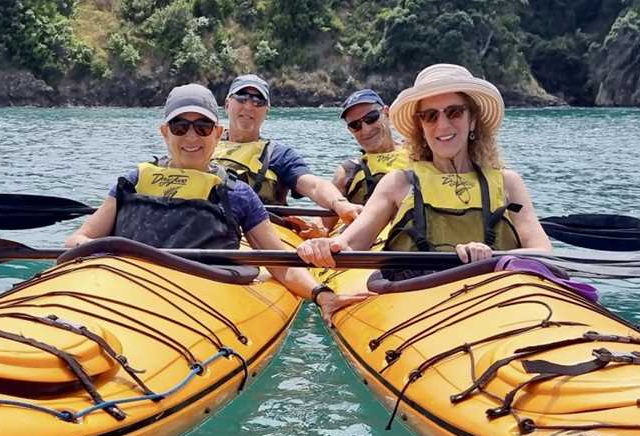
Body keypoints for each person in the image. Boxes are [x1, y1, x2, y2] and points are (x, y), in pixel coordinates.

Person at [66, 83, 368, 309]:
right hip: (126, 290)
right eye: (180, 126)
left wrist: (322, 295)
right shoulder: (132, 182)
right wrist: (101, 260)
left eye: (202, 127)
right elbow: (79, 240)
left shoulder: (238, 193)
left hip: (202, 299)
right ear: (164, 132)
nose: (191, 137)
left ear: (216, 132)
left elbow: (281, 264)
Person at [297, 64, 552, 318]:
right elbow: (351, 242)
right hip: (418, 304)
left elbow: (542, 252)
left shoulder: (508, 182)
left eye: (454, 112)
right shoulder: (399, 183)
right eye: (430, 116)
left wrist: (491, 257)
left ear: (472, 119)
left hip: (500, 302)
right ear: (420, 126)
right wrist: (324, 246)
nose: (442, 125)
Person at [213, 74, 362, 227]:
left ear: (267, 111)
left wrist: (339, 203)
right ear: (227, 104)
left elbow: (314, 186)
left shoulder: (279, 155)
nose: (249, 106)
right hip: (206, 223)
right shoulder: (202, 145)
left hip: (258, 229)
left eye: (258, 101)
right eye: (241, 98)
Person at [331, 88, 410, 206]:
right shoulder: (348, 172)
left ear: (387, 113)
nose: (366, 130)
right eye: (355, 125)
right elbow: (321, 222)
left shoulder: (419, 152)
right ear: (350, 131)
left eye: (371, 118)